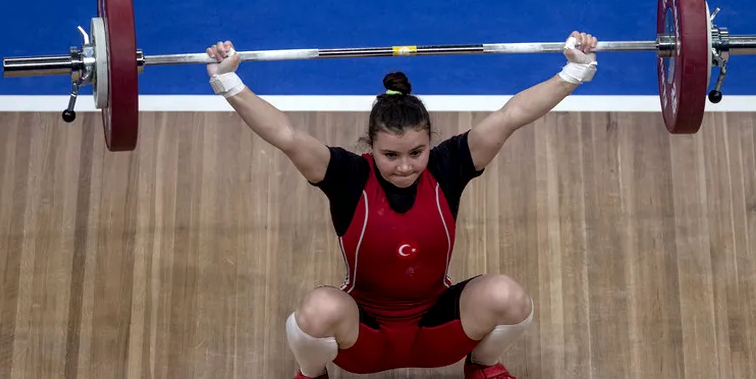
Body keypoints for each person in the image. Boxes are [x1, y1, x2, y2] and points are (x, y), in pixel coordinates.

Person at [205, 31, 598, 379]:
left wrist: (573, 74)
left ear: (430, 143)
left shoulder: (448, 167)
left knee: (509, 297)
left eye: (417, 152)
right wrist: (228, 80)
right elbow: (286, 135)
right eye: (391, 155)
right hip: (364, 339)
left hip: (437, 329)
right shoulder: (347, 177)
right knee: (316, 311)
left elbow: (511, 116)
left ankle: (481, 365)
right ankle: (312, 375)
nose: (406, 166)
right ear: (371, 147)